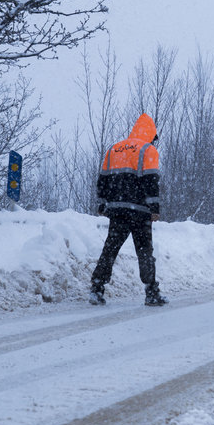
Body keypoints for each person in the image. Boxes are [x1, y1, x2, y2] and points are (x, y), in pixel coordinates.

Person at [90, 113, 168, 307]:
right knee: (144, 251)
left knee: (110, 249)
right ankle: (151, 292)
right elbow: (150, 181)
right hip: (139, 211)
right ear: (151, 134)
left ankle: (97, 288)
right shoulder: (147, 150)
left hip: (117, 210)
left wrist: (102, 203)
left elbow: (102, 180)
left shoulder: (114, 148)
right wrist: (154, 207)